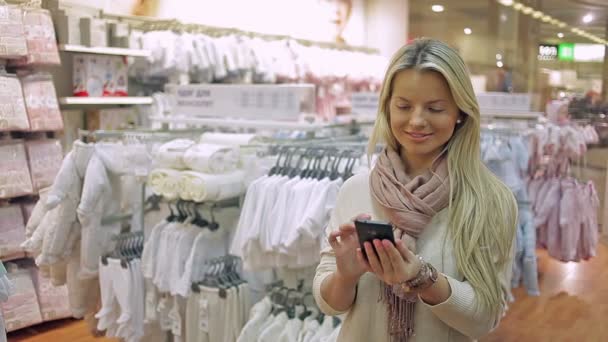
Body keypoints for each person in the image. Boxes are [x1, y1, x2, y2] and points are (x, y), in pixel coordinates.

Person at [312, 38, 517, 341]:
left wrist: (422, 278)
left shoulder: (489, 200)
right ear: (387, 107)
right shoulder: (356, 190)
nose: (417, 121)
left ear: (460, 111)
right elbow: (330, 305)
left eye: (435, 108)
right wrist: (346, 274)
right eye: (404, 106)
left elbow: (485, 318)